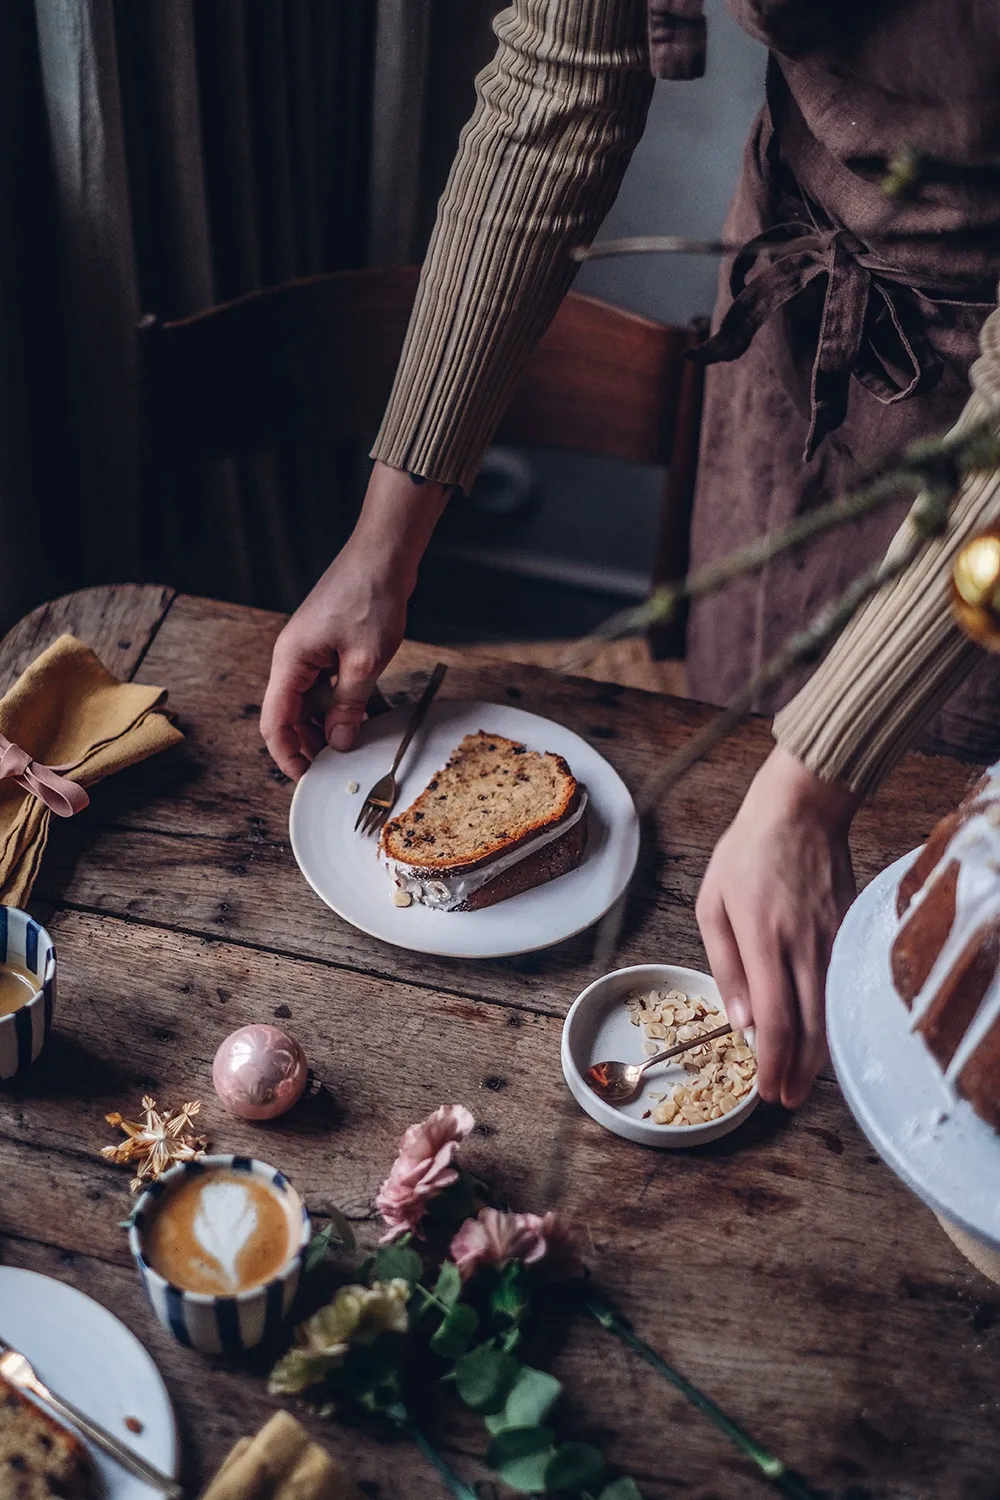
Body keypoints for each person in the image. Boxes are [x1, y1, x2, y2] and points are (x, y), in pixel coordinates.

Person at [261, 0, 1000, 1111]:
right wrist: (384, 539)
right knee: (726, 774)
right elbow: (558, 86)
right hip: (795, 305)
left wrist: (813, 784)